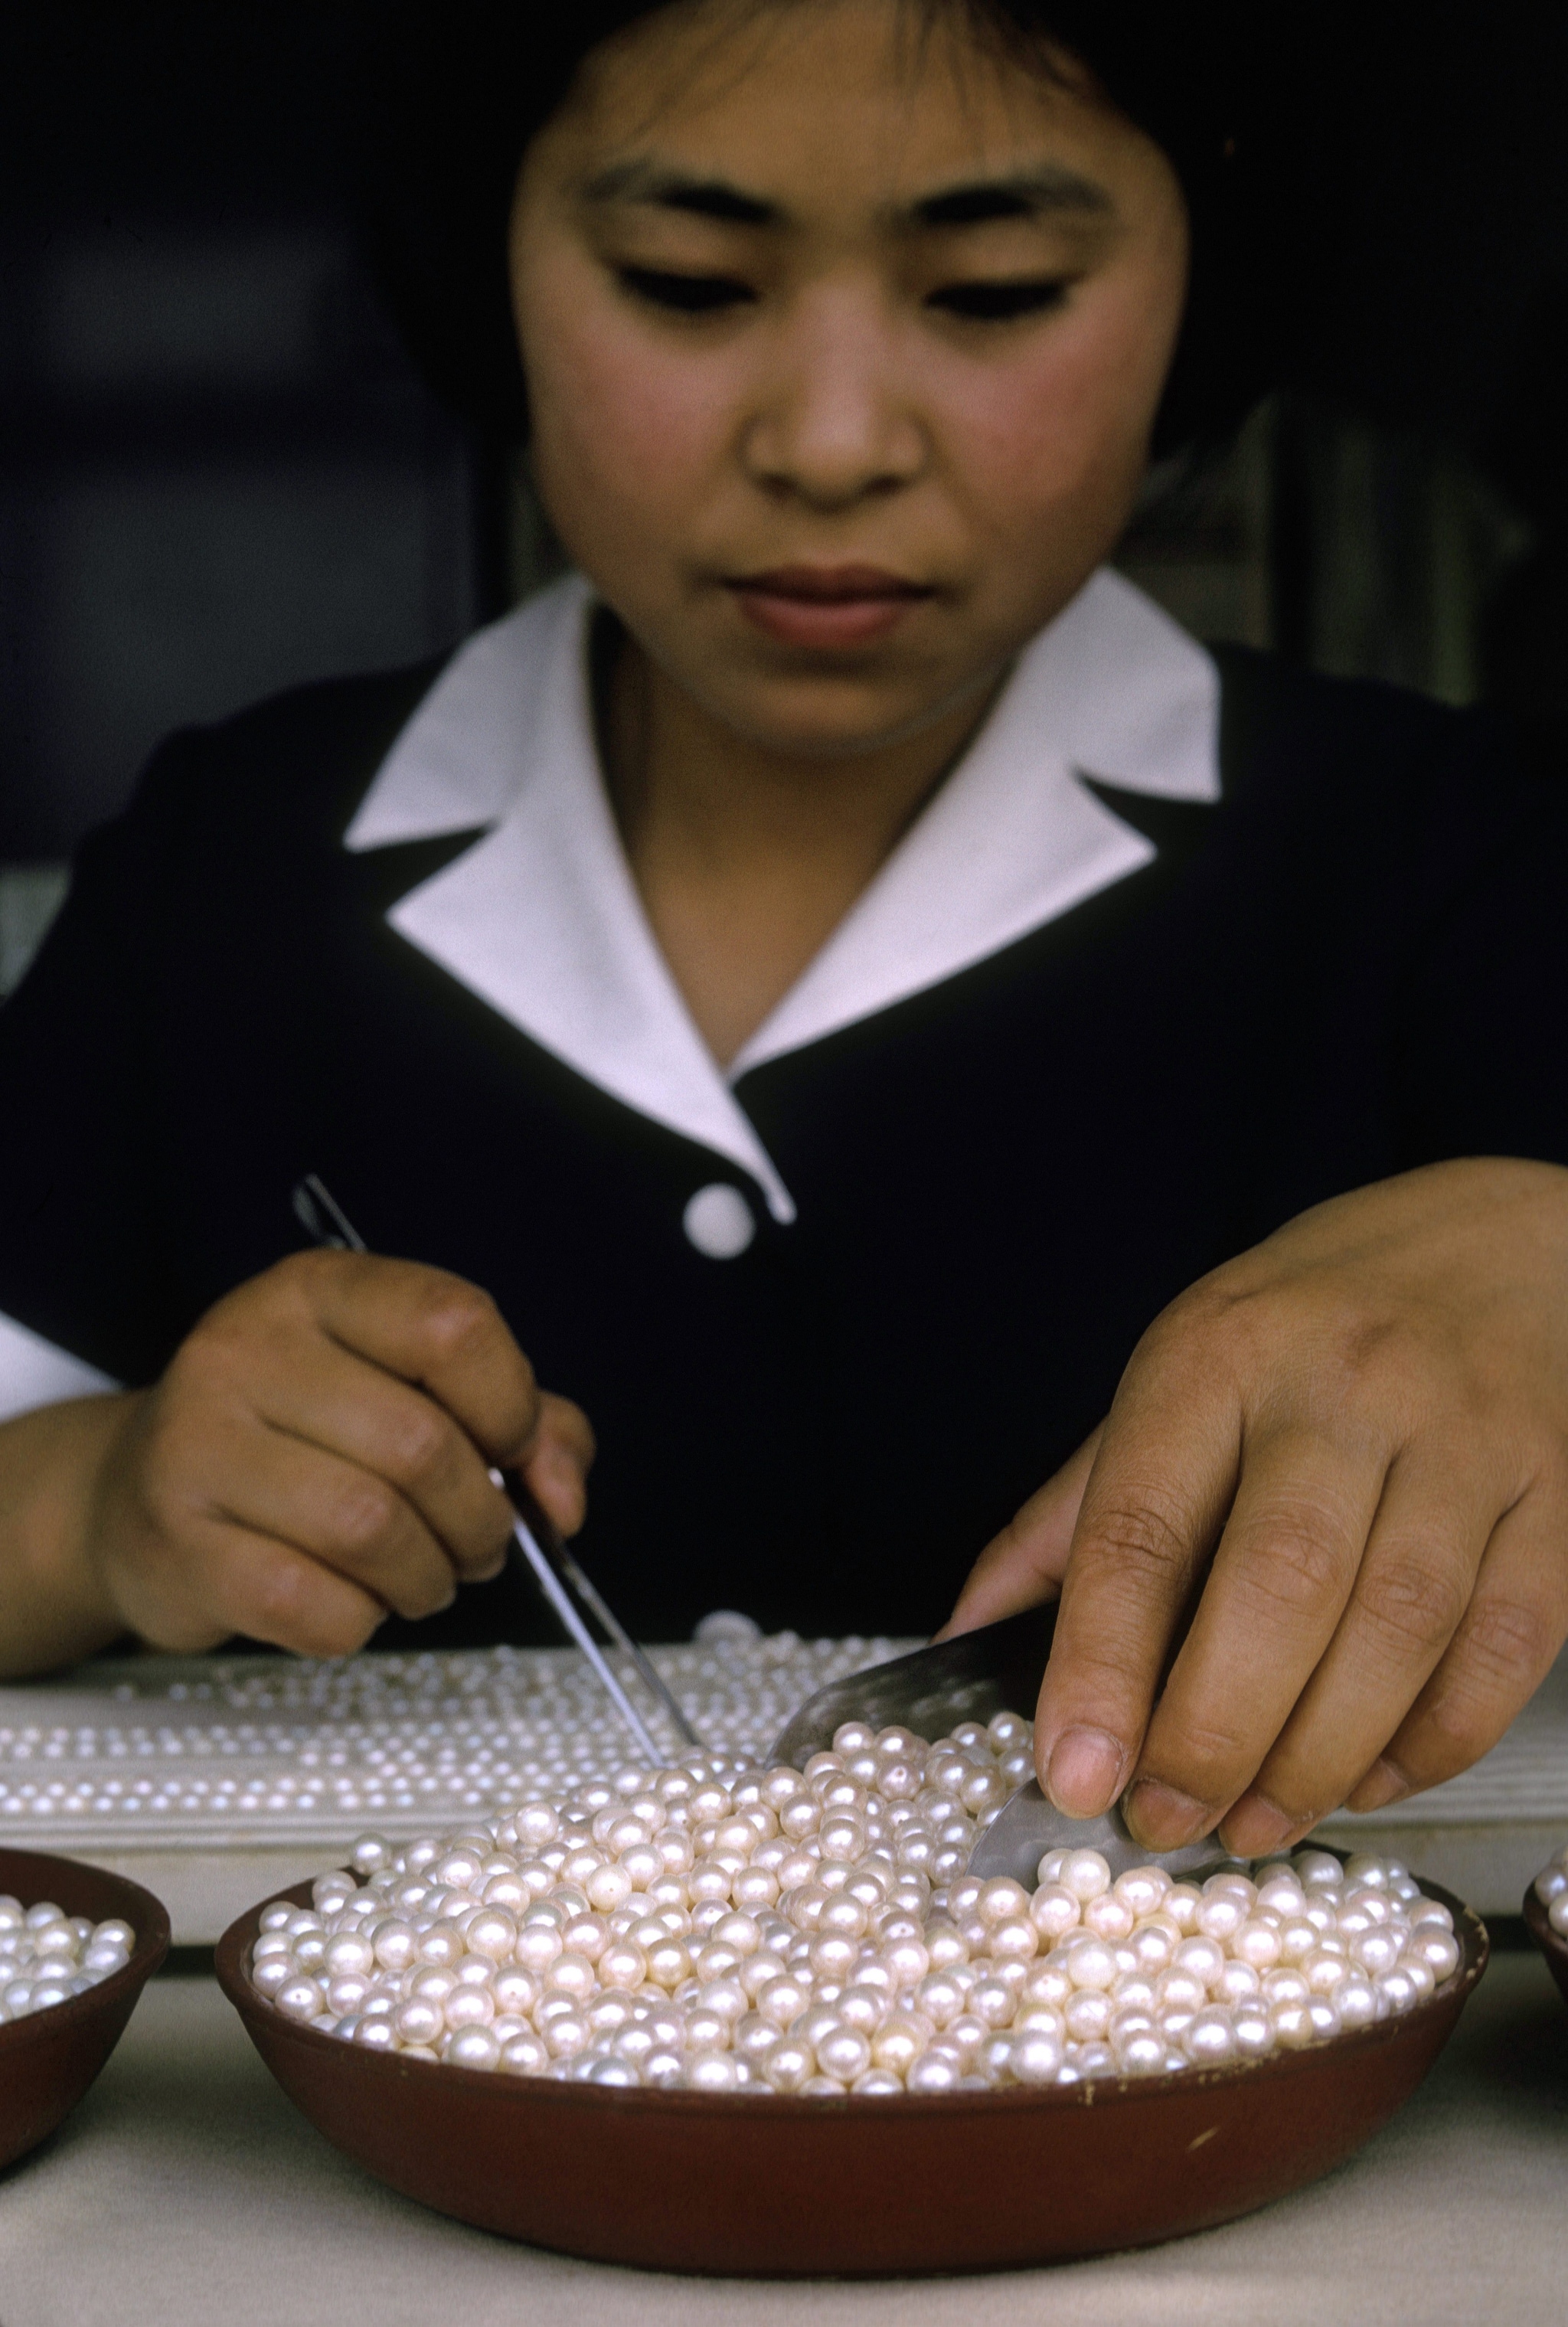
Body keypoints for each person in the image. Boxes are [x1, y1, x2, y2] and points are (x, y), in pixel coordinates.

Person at [0, 0, 1565, 1869]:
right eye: (685, 282)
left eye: (990, 292)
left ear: (1195, 283)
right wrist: (101, 1506)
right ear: (487, 254)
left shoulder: (1444, 855)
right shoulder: (228, 865)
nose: (831, 445)